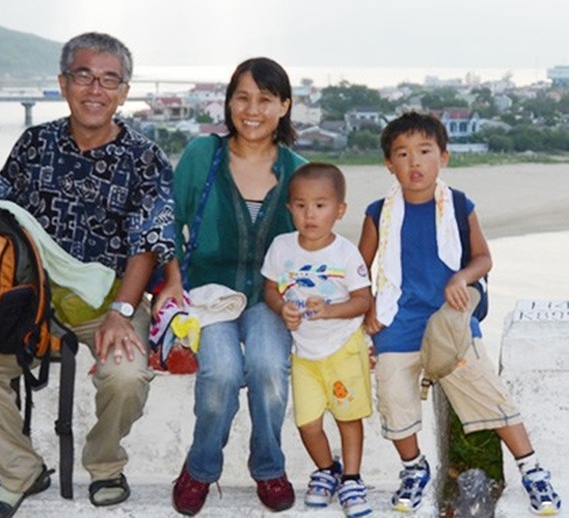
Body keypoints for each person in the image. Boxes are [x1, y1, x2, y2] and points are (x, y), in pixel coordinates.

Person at [0, 32, 176, 518]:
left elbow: (148, 243)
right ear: (62, 83)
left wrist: (122, 311)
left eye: (109, 79)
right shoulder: (35, 143)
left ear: (124, 91)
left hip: (109, 299)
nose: (96, 89)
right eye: (84, 76)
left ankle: (105, 463)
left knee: (127, 374)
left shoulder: (144, 157)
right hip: (33, 295)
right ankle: (20, 471)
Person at [357, 110, 562, 515]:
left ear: (444, 157)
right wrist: (366, 310)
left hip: (450, 319)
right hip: (398, 318)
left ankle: (532, 469)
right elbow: (359, 271)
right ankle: (414, 467)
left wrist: (461, 278)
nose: (414, 162)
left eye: (424, 151)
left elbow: (484, 258)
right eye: (402, 153)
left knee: (485, 387)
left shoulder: (459, 205)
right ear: (388, 163)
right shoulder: (378, 212)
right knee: (393, 392)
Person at [164, 57, 307, 516]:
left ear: (284, 106)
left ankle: (269, 467)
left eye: (266, 99)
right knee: (221, 373)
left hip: (269, 298)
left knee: (268, 367)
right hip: (209, 296)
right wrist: (170, 282)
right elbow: (168, 224)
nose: (252, 109)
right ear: (228, 102)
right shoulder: (201, 156)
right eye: (242, 97)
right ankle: (200, 468)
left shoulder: (298, 171)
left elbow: (313, 242)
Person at [262, 163, 374, 517]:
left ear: (339, 210)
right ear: (290, 208)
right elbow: (270, 288)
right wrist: (282, 308)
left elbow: (362, 300)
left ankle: (353, 478)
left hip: (342, 348)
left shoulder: (345, 253)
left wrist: (329, 310)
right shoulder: (282, 247)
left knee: (347, 416)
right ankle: (327, 470)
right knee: (307, 423)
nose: (310, 214)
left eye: (321, 205)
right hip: (304, 354)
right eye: (300, 205)